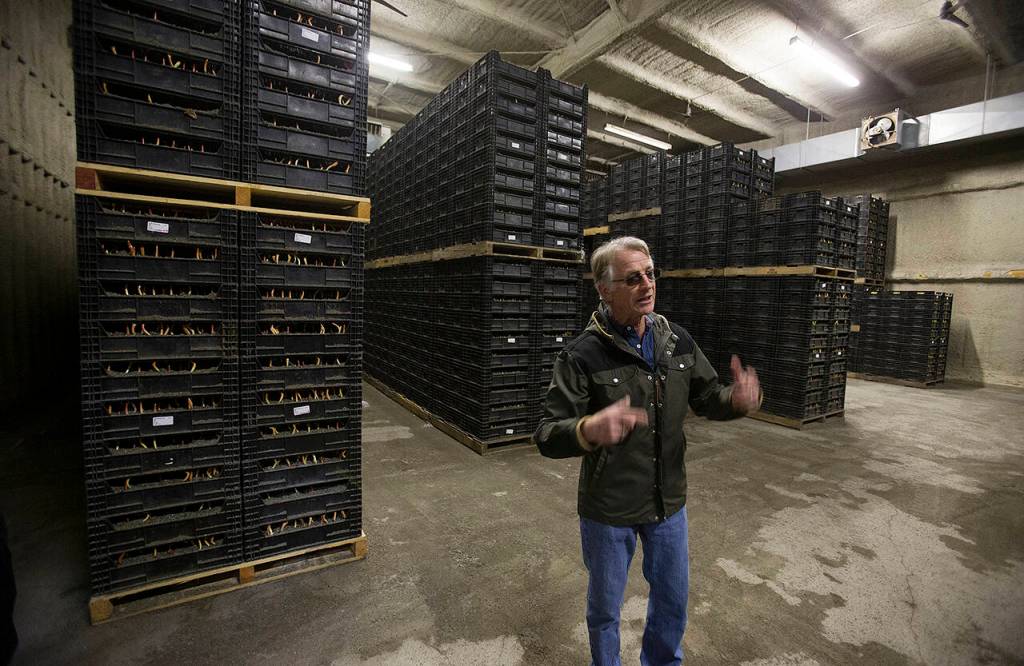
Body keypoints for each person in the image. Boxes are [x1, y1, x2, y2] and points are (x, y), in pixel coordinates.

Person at [533, 236, 761, 666]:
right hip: (610, 507)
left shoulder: (676, 340)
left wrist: (736, 400)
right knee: (606, 609)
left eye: (650, 274)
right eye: (633, 278)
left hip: (668, 502)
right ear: (604, 288)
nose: (647, 284)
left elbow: (708, 396)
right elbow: (546, 434)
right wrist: (587, 428)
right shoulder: (582, 355)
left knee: (673, 601)